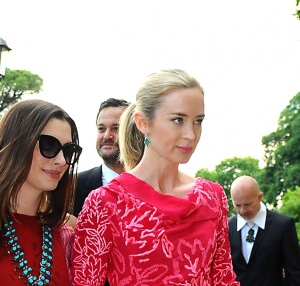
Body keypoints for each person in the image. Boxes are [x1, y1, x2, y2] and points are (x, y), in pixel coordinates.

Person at [71, 69, 239, 285]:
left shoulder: (212, 196)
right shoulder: (104, 203)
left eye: (198, 121)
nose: (191, 134)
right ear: (143, 122)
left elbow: (223, 279)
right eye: (178, 120)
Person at [0, 99, 82, 285]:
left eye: (69, 150)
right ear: (17, 143)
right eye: (49, 145)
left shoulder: (69, 232)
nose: (62, 160)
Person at [228, 175, 300, 286]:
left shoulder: (283, 225)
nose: (242, 210)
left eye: (247, 204)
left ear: (260, 197)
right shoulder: (226, 227)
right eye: (237, 205)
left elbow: (295, 272)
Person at [73, 98, 129, 217]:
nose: (107, 136)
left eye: (116, 128)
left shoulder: (154, 185)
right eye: (101, 129)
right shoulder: (72, 186)